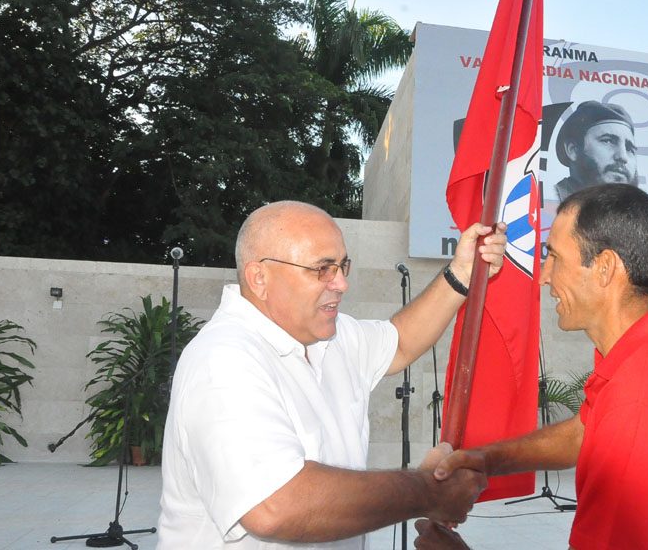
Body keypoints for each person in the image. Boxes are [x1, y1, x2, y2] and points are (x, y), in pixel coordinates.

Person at [158, 200, 507, 549]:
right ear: (259, 278)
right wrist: (428, 490)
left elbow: (400, 343)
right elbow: (275, 506)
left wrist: (461, 274)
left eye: (342, 265)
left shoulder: (333, 335)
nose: (341, 283)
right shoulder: (223, 360)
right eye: (322, 268)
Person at [415, 183, 648, 550]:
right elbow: (586, 432)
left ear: (604, 268)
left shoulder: (637, 396)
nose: (544, 276)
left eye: (554, 257)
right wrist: (484, 460)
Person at [552, 100, 639, 202]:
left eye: (630, 149)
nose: (623, 157)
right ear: (573, 150)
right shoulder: (550, 201)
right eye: (608, 141)